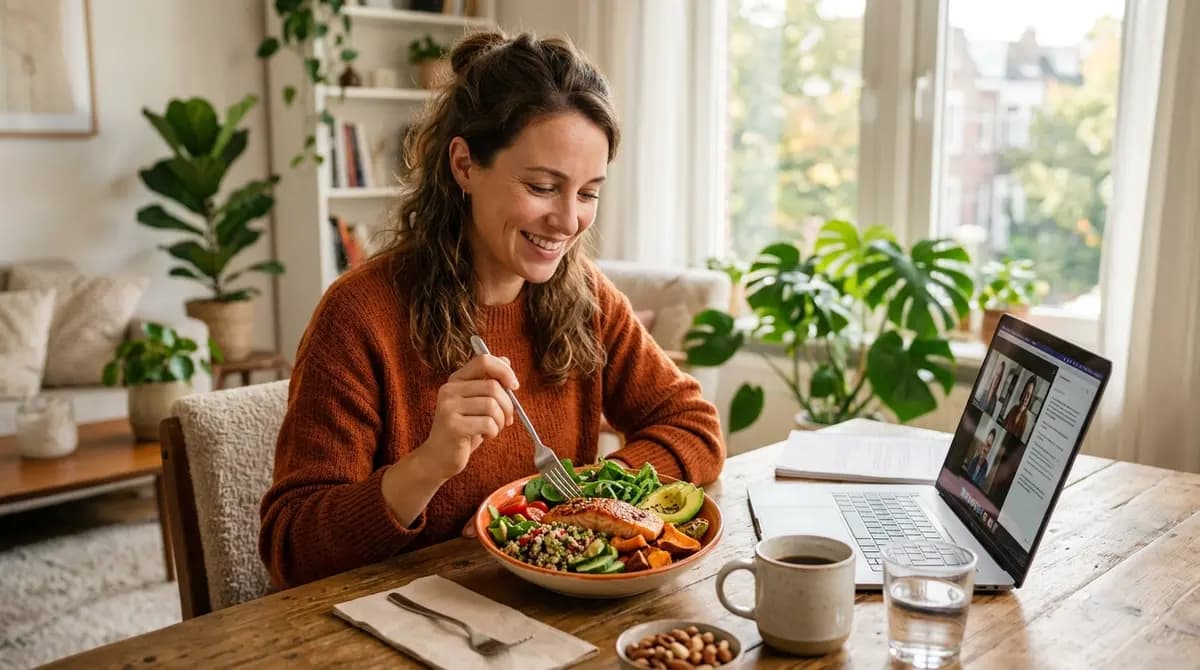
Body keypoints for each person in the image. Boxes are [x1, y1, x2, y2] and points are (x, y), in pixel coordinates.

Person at [258, 32, 725, 588]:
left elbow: (693, 425)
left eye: (588, 192)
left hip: (549, 614)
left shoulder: (588, 300)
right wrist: (429, 464)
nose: (568, 220)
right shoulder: (360, 315)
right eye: (543, 185)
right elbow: (292, 547)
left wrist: (579, 501)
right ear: (464, 165)